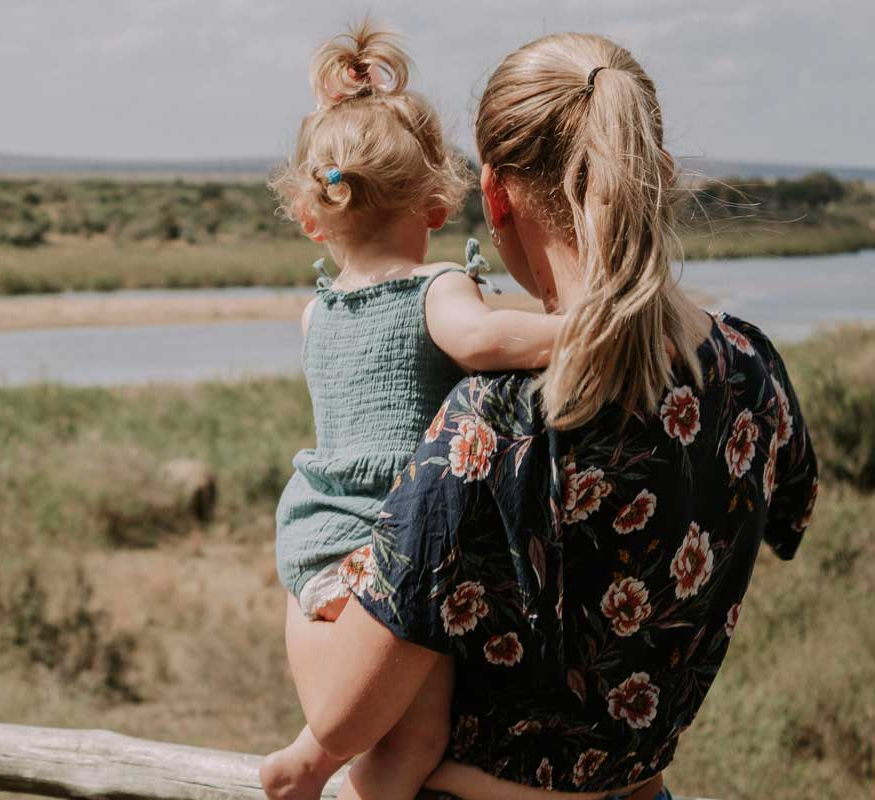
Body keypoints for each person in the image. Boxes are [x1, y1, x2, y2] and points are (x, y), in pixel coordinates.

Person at [286, 32, 820, 800]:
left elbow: (340, 708)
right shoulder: (751, 367)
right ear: (654, 177)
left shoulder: (491, 420)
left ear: (496, 196)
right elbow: (789, 516)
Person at [259, 21, 566, 800]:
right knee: (417, 738)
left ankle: (310, 749)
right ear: (436, 205)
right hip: (400, 539)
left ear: (311, 216)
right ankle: (322, 767)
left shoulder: (315, 313)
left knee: (358, 702)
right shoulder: (437, 287)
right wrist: (582, 330)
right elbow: (485, 339)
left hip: (316, 530)